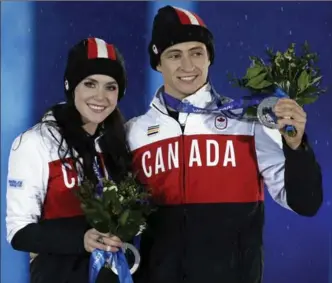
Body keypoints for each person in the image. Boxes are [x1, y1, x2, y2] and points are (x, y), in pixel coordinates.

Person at [125, 6, 323, 283]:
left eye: (197, 53)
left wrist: (296, 145)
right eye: (174, 55)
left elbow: (304, 202)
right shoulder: (133, 133)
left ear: (209, 58)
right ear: (158, 63)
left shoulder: (246, 122)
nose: (187, 66)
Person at [6, 37, 131, 283]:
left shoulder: (117, 142)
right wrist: (81, 240)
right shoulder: (36, 142)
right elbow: (18, 233)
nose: (100, 96)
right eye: (90, 83)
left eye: (110, 86)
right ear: (71, 86)